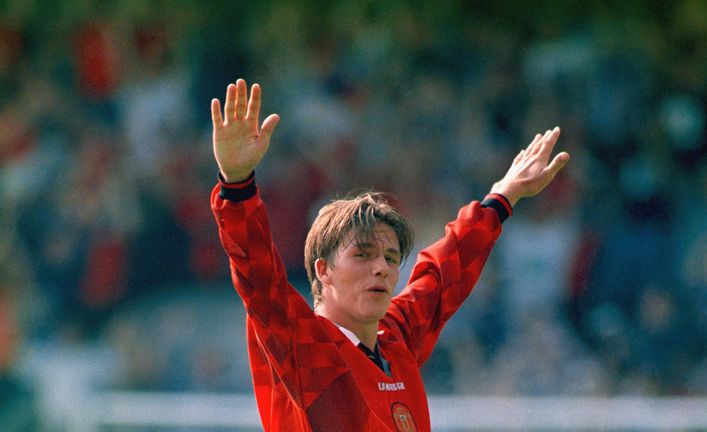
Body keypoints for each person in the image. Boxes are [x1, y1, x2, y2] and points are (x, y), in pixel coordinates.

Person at [210, 79, 569, 431]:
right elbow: (258, 278)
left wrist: (502, 198)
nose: (381, 268)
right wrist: (237, 184)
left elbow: (441, 275)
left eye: (391, 258)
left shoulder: (394, 341)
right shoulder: (305, 348)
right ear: (324, 270)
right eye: (362, 255)